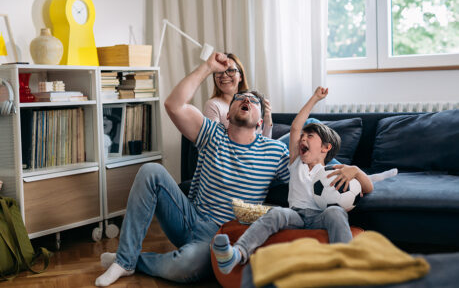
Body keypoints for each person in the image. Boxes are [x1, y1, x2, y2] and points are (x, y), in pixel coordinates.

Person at [95, 52, 291, 286]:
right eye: (240, 98)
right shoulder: (212, 133)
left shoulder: (275, 151)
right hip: (191, 219)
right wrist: (208, 66)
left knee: (185, 266)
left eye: (253, 101)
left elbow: (307, 176)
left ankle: (131, 261)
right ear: (228, 114)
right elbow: (173, 105)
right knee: (150, 171)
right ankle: (125, 262)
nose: (247, 100)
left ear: (261, 121)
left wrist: (345, 170)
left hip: (222, 236)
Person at [212, 87, 374, 274]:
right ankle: (237, 253)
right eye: (302, 137)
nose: (302, 138)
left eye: (309, 137)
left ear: (325, 147)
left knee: (336, 213)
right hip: (295, 215)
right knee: (276, 214)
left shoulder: (332, 172)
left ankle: (346, 264)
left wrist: (355, 170)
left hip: (319, 216)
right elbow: (296, 126)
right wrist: (314, 99)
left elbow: (368, 187)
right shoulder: (296, 162)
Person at [203, 53, 273, 138]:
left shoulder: (253, 104)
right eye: (219, 72)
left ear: (240, 76)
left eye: (231, 70)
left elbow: (265, 145)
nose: (224, 75)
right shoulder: (213, 105)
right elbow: (214, 141)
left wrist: (267, 120)